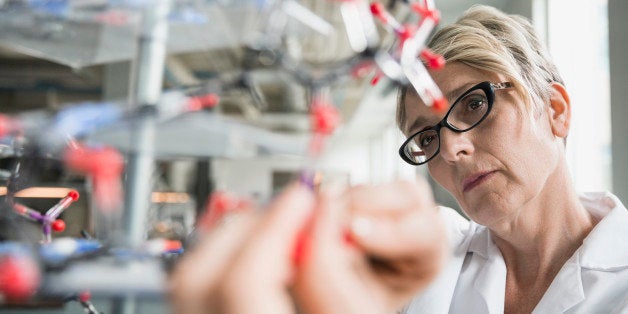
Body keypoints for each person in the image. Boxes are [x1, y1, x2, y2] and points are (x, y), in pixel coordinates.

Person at [170, 4, 628, 314]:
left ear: (556, 110)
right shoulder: (429, 256)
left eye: (472, 104)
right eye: (426, 136)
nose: (451, 149)